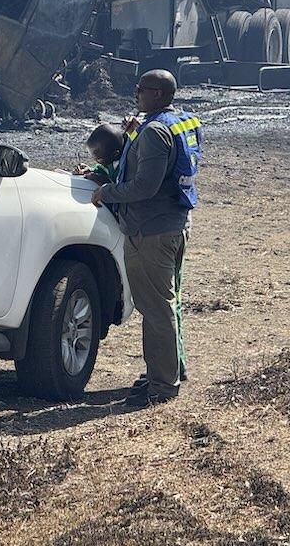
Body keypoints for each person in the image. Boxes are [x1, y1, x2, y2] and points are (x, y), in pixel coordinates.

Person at [91, 69, 202, 407]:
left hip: (151, 232)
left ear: (156, 94)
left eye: (140, 90)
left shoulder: (154, 132)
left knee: (156, 310)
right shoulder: (178, 122)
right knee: (168, 304)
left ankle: (162, 386)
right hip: (173, 223)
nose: (136, 94)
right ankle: (171, 370)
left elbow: (144, 186)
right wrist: (136, 133)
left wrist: (106, 192)